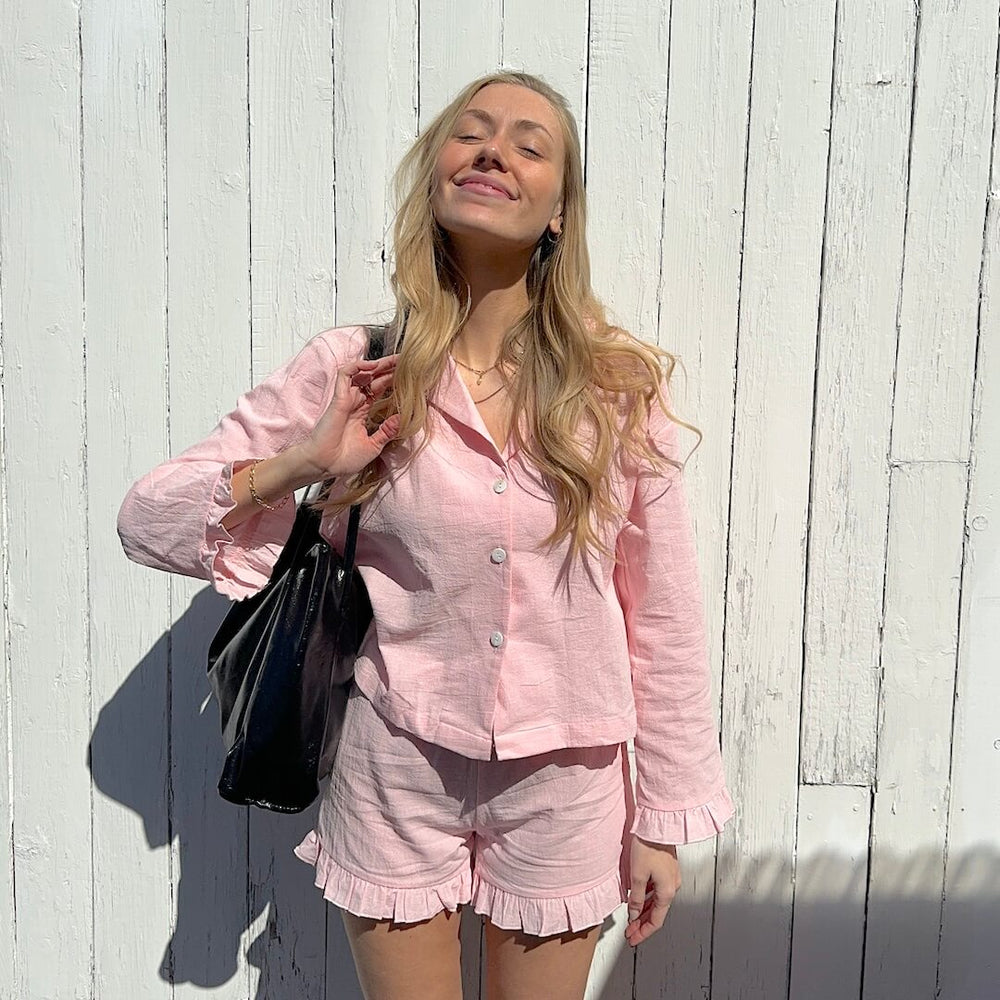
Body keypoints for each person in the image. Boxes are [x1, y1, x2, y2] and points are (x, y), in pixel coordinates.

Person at [118, 70, 734, 1000]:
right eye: (472, 133)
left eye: (529, 144)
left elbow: (665, 616)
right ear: (436, 174)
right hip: (396, 759)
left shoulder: (614, 389)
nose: (494, 151)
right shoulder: (357, 365)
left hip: (567, 780)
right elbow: (148, 518)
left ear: (560, 210)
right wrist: (305, 461)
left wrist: (661, 816)